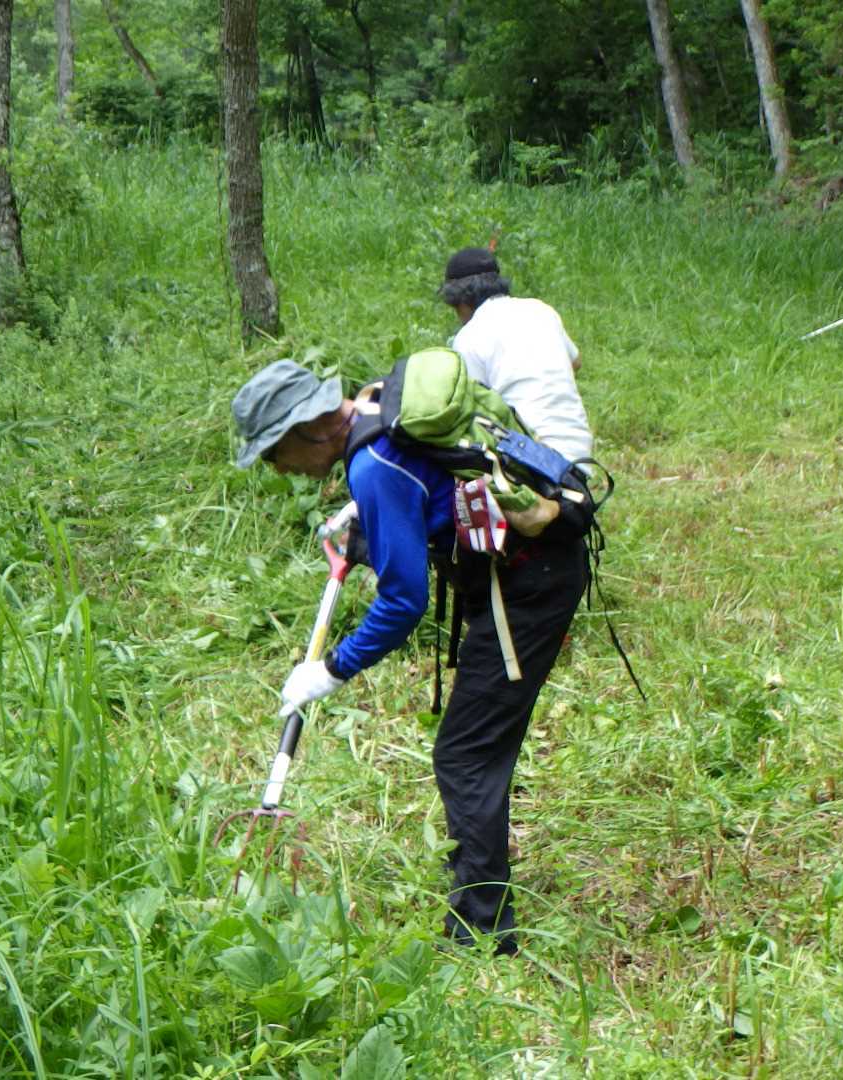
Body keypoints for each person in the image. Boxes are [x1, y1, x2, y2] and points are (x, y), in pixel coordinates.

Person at [232, 359, 586, 957]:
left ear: (310, 428)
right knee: (474, 746)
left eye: (273, 450)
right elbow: (429, 491)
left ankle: (481, 932)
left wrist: (333, 668)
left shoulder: (373, 464)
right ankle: (478, 895)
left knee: (466, 753)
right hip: (527, 569)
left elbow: (403, 603)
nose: (276, 467)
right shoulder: (374, 404)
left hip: (527, 589)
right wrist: (366, 522)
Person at [440, 247, 594, 465]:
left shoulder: (468, 337)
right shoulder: (541, 310)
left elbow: (469, 410)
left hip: (528, 460)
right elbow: (575, 363)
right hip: (580, 453)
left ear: (460, 301)